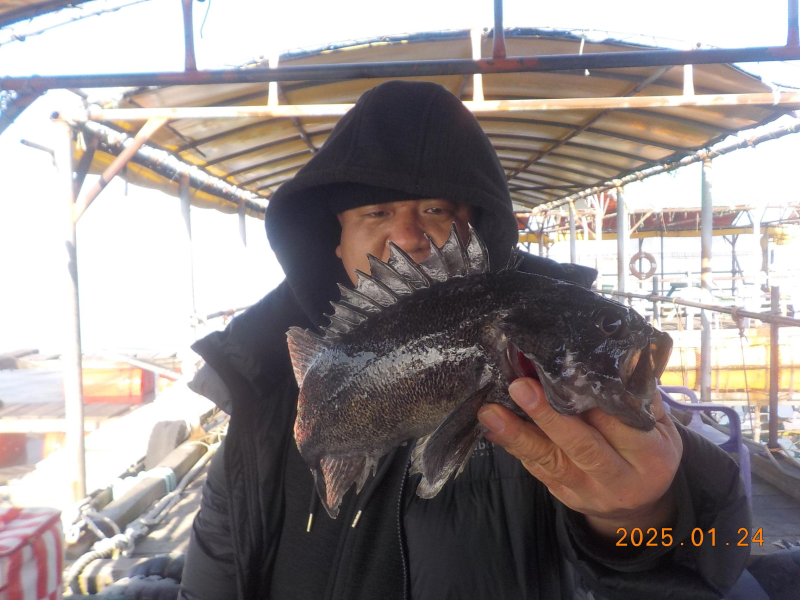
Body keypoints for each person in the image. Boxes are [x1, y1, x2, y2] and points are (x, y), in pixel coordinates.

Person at [179, 80, 750, 600]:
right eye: (375, 213)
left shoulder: (570, 393)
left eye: (436, 209)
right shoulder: (260, 388)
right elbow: (216, 572)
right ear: (334, 242)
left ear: (477, 231)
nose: (407, 236)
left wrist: (643, 517)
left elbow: (713, 549)